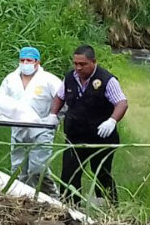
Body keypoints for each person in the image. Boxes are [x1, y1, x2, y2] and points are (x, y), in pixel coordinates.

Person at [47, 44, 128, 204]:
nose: (78, 68)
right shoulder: (70, 77)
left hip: (101, 137)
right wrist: (52, 115)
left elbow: (122, 103)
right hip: (75, 135)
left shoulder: (107, 80)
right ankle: (70, 208)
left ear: (93, 62)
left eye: (82, 64)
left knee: (101, 174)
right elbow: (59, 96)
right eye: (75, 63)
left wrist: (112, 120)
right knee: (69, 174)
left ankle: (109, 208)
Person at [0, 46, 62, 195]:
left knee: (37, 170)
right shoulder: (11, 79)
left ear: (37, 62)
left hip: (41, 128)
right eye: (22, 60)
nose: (25, 63)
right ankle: (23, 200)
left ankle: (52, 197)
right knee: (18, 170)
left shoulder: (48, 79)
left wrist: (55, 117)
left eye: (29, 60)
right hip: (18, 128)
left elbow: (62, 98)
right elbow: (1, 100)